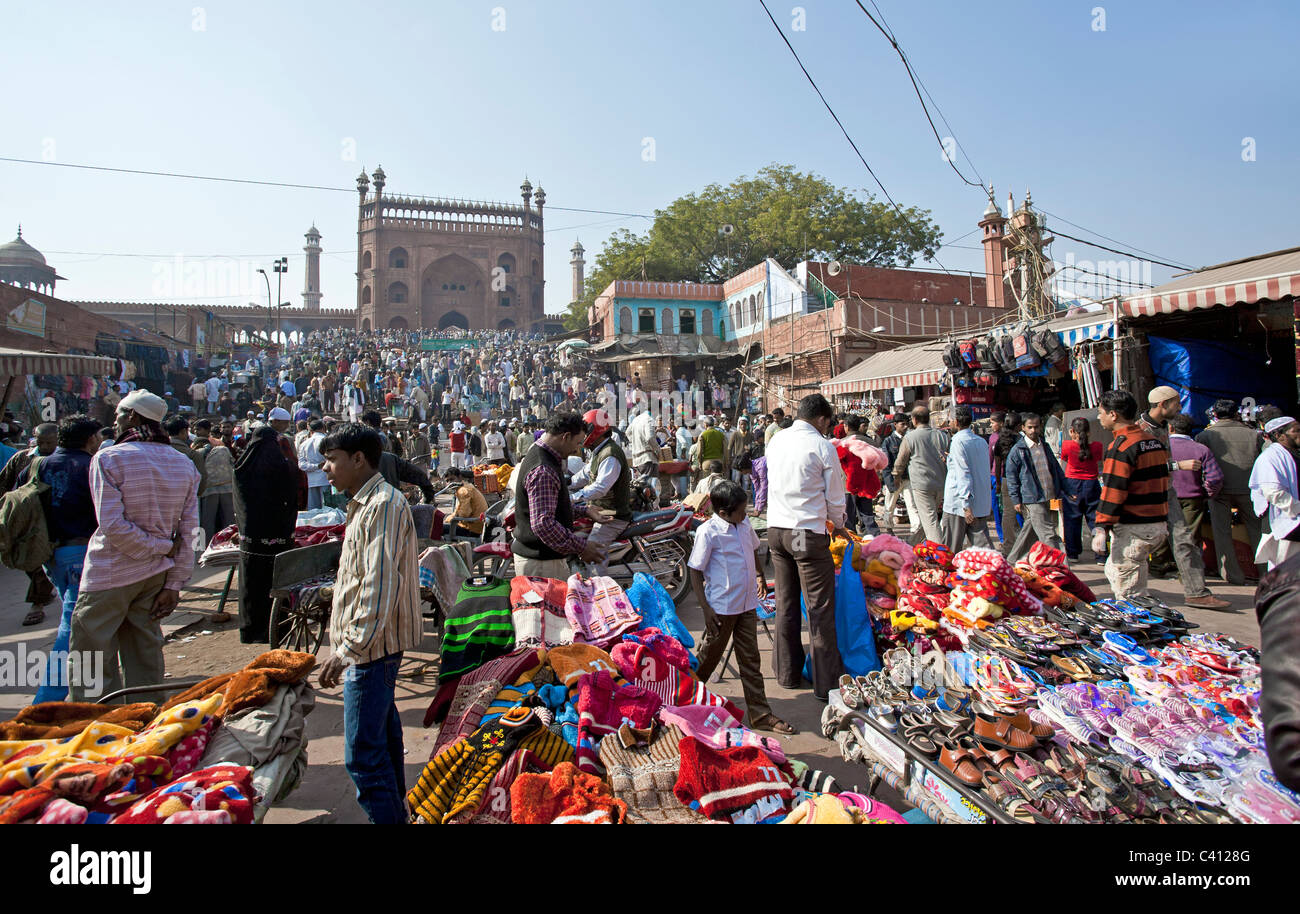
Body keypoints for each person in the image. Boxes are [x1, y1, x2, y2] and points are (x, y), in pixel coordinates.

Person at [316, 423, 422, 825]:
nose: (326, 468)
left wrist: (346, 650)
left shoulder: (382, 505)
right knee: (384, 745)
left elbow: (379, 585)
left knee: (362, 758)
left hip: (371, 652)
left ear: (359, 459)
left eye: (332, 460)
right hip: (373, 647)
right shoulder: (367, 503)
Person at [67, 390, 200, 702]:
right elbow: (190, 529)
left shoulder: (108, 458)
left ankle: (96, 725)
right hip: (155, 576)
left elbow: (113, 526)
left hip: (109, 573)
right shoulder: (182, 464)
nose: (115, 420)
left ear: (133, 417)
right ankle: (145, 720)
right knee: (145, 652)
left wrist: (157, 548)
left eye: (119, 414)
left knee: (90, 657)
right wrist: (175, 581)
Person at [688, 479, 796, 735]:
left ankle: (760, 714)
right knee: (707, 659)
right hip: (721, 609)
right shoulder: (709, 532)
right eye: (740, 511)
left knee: (750, 660)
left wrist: (760, 576)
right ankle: (686, 702)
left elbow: (754, 552)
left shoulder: (744, 524)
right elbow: (694, 570)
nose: (745, 514)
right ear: (724, 513)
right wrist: (705, 609)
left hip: (747, 605)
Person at [765, 394, 847, 702]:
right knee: (819, 609)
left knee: (786, 603)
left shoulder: (776, 441)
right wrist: (839, 524)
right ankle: (826, 685)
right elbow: (836, 499)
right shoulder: (822, 446)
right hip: (803, 533)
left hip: (776, 530)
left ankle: (786, 674)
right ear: (823, 420)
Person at [25, 415, 101, 702]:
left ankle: (90, 683)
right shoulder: (91, 467)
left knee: (82, 620)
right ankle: (46, 701)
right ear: (90, 439)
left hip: (52, 555)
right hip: (81, 554)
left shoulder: (39, 465)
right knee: (72, 626)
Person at [1139, 387, 1231, 609]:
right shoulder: (1141, 431)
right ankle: (1132, 597)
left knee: (1184, 539)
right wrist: (1179, 465)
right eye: (1176, 403)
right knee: (1138, 545)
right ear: (1163, 404)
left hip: (1167, 491)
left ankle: (1196, 592)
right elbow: (1142, 465)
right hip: (1146, 494)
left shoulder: (1163, 427)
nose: (1179, 407)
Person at [1093, 389, 1170, 601]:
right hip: (1157, 523)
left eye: (1101, 412)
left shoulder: (1122, 446)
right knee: (1116, 570)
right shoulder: (1152, 441)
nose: (1099, 417)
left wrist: (1102, 527)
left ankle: (1141, 629)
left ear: (1113, 415)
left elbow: (1113, 491)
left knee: (1129, 593)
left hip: (1135, 526)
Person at [511, 411, 604, 578]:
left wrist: (584, 511)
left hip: (542, 559)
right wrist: (582, 547)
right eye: (577, 443)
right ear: (566, 437)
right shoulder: (543, 470)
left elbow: (552, 506)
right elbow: (543, 524)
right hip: (540, 563)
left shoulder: (542, 454)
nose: (577, 449)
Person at [232, 424, 299, 644]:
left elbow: (239, 502)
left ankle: (250, 630)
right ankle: (279, 626)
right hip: (279, 537)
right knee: (278, 583)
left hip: (251, 540)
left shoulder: (242, 468)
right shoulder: (285, 467)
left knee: (252, 586)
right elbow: (292, 500)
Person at [1197, 398, 1265, 585]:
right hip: (1249, 489)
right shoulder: (1254, 434)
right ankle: (1265, 574)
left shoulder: (1206, 436)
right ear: (1237, 414)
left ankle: (1233, 576)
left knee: (1222, 533)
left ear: (1216, 415)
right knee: (1256, 531)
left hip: (1220, 491)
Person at [1149, 414, 1223, 575]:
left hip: (1163, 495)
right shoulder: (1201, 449)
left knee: (1162, 531)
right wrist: (1206, 493)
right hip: (1192, 499)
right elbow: (1215, 478)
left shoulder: (1159, 447)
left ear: (1170, 428)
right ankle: (1188, 573)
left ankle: (1158, 566)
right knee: (1190, 536)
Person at [1, 422, 58, 625]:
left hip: (51, 519)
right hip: (25, 519)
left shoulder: (61, 459)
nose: (44, 446)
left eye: (49, 442)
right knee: (27, 559)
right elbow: (5, 484)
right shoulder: (21, 458)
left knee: (43, 558)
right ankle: (45, 591)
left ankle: (37, 604)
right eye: (41, 442)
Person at [571, 408, 633, 570]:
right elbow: (584, 474)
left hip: (613, 516)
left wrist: (573, 497)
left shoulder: (610, 454)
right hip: (600, 511)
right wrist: (565, 484)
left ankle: (599, 591)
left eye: (585, 431)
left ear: (595, 430)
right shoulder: (598, 452)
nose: (582, 435)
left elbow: (601, 487)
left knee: (592, 554)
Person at [1003, 412, 1067, 563]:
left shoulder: (1044, 445)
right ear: (1023, 428)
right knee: (1049, 535)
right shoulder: (1018, 450)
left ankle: (1011, 562)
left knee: (1029, 532)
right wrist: (1016, 499)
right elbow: (1011, 476)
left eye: (1036, 427)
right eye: (1030, 427)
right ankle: (1062, 567)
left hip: (1047, 494)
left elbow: (1056, 469)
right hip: (1031, 497)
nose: (1033, 430)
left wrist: (1067, 489)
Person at [1248, 416, 1300, 570]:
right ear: (1279, 435)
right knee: (1284, 570)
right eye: (1296, 431)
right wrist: (1296, 508)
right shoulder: (1270, 457)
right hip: (1285, 520)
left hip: (1295, 518)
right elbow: (1273, 492)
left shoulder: (1293, 454)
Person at [941, 405, 994, 554]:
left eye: (950, 420)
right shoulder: (981, 441)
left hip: (960, 504)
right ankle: (994, 573)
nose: (949, 423)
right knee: (983, 550)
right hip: (978, 503)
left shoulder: (958, 442)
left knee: (951, 550)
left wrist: (966, 504)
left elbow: (963, 473)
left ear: (956, 422)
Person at [893, 405, 948, 546]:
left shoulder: (910, 437)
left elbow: (901, 461)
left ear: (914, 420)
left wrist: (896, 476)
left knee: (930, 519)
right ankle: (911, 543)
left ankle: (940, 552)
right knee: (929, 517)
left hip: (922, 485)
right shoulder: (942, 435)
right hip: (941, 483)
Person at [1059, 416, 1105, 563]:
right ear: (1089, 432)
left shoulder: (1067, 445)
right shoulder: (1098, 446)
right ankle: (1101, 554)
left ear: (1072, 431)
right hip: (1092, 484)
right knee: (1095, 520)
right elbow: (1098, 459)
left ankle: (1072, 554)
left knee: (1072, 520)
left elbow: (1064, 459)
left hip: (1072, 484)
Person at [880, 415, 907, 533]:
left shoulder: (909, 439)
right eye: (903, 424)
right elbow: (886, 464)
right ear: (895, 425)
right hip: (894, 479)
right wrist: (890, 482)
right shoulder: (888, 441)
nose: (905, 427)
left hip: (907, 479)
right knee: (889, 506)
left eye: (907, 424)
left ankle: (917, 532)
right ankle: (889, 528)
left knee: (912, 506)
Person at [298, 418, 330, 508]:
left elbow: (301, 465)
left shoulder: (304, 444)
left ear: (310, 430)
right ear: (323, 428)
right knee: (328, 509)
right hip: (326, 479)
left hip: (312, 480)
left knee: (313, 510)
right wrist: (319, 466)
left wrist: (316, 466)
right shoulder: (327, 440)